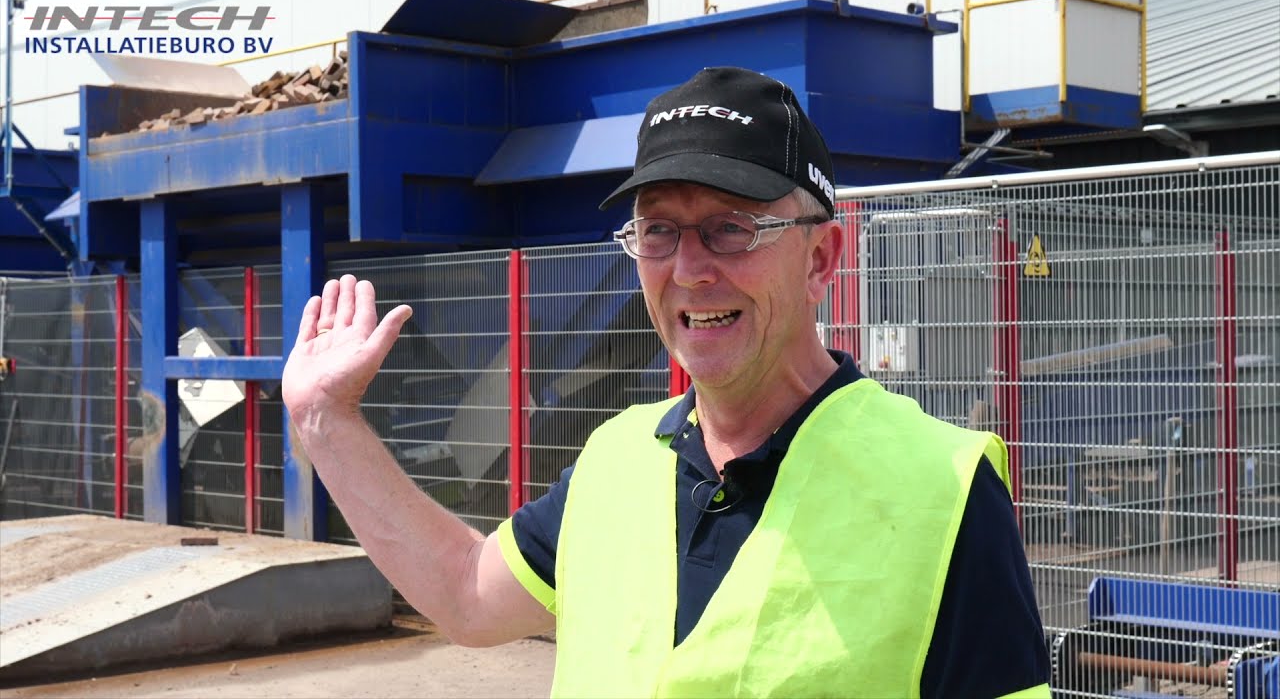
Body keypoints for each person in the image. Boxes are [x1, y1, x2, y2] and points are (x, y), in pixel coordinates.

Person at [282, 66, 1051, 698]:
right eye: (658, 230)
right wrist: (326, 422)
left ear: (820, 259)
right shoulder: (617, 461)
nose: (689, 270)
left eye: (731, 226)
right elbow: (464, 593)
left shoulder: (942, 491)